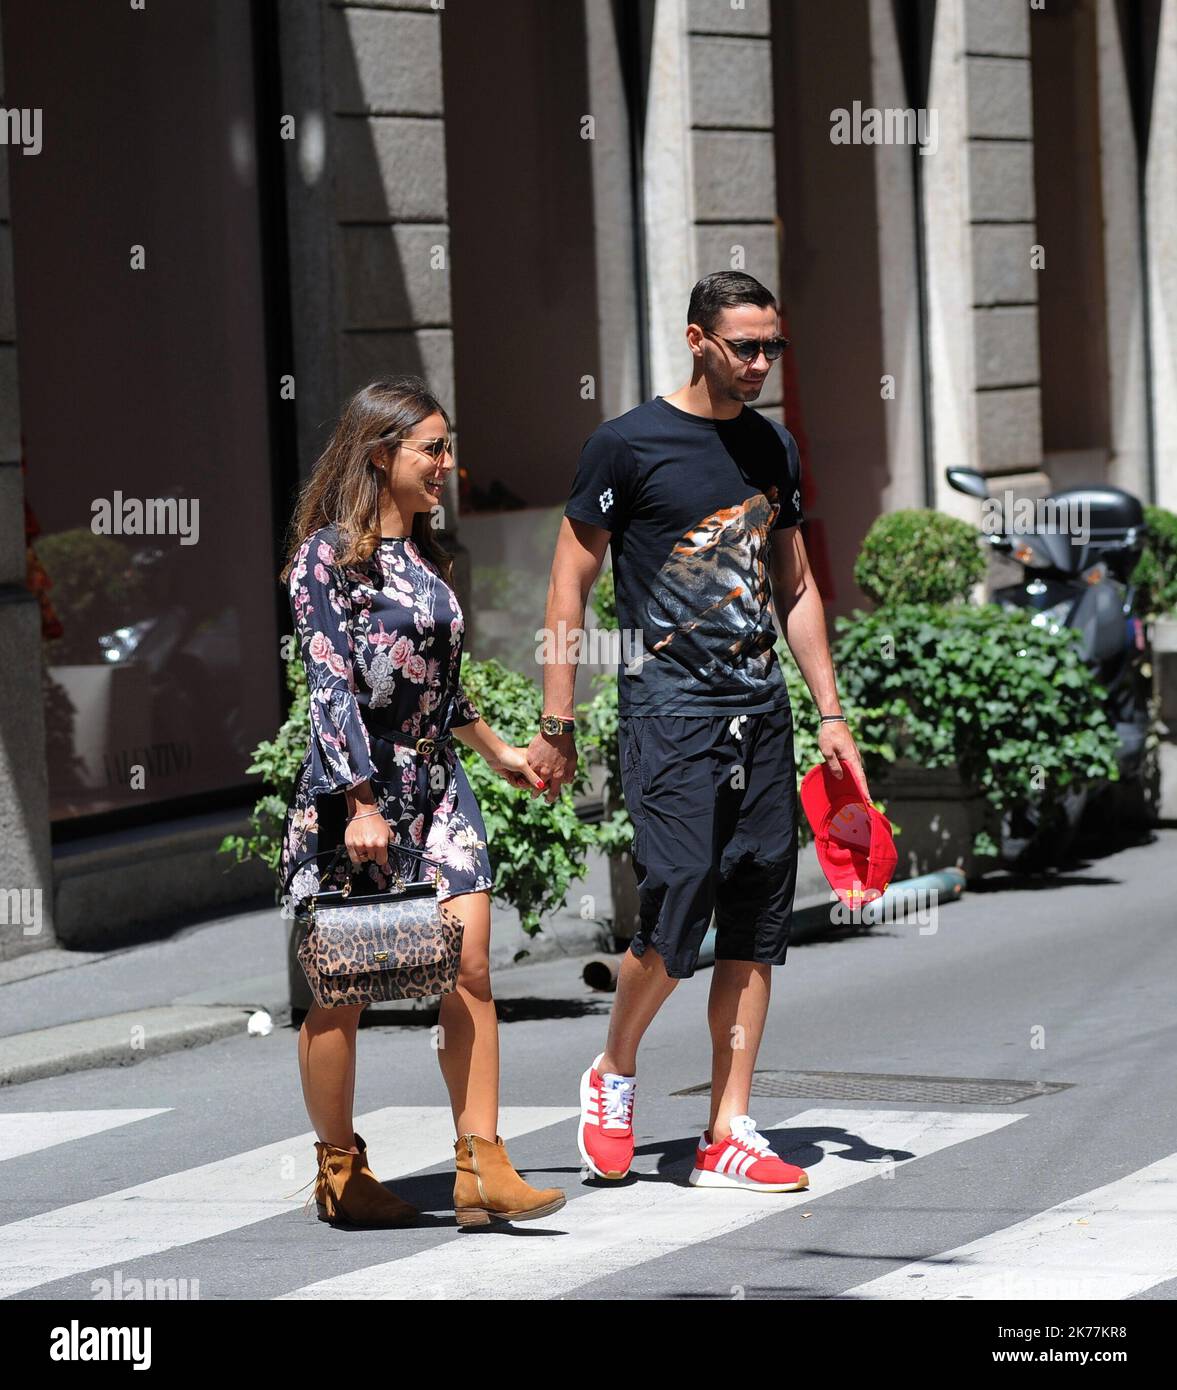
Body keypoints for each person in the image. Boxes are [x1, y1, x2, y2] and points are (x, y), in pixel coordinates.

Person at [528, 271, 872, 1191]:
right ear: (696, 340)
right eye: (744, 346)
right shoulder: (625, 446)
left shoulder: (772, 449)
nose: (761, 363)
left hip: (760, 717)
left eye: (773, 347)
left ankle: (728, 1125)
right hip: (667, 715)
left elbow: (793, 587)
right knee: (676, 904)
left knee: (757, 917)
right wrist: (555, 719)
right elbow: (568, 585)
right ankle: (615, 1065)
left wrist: (828, 713)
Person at [279, 375, 565, 1229]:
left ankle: (482, 1164)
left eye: (446, 447)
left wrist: (501, 754)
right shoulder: (323, 557)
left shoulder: (429, 557)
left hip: (438, 787)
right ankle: (339, 1170)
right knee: (345, 983)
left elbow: (441, 687)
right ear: (380, 454)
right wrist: (361, 801)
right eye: (431, 449)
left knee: (470, 969)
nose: (448, 463)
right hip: (352, 794)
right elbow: (330, 686)